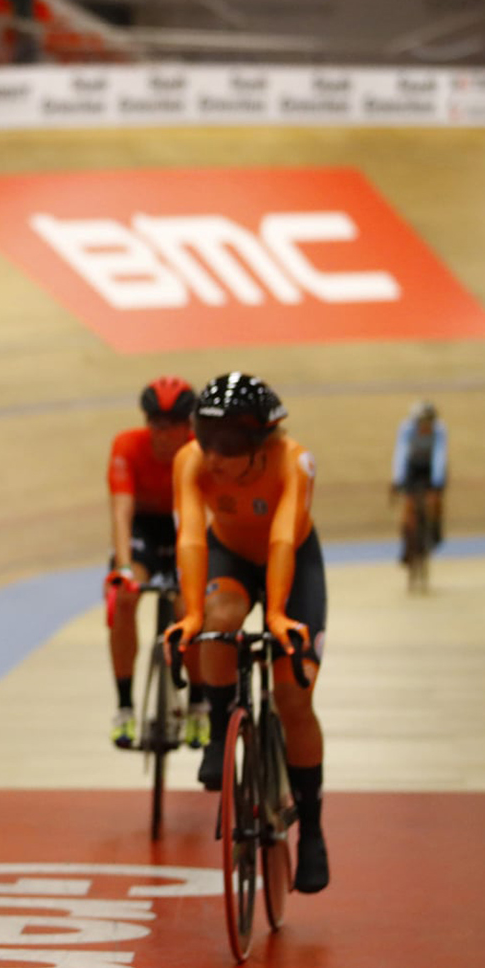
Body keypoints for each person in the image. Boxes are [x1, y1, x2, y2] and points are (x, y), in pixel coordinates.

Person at [164, 373, 330, 894]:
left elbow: (283, 538)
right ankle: (219, 730)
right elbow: (191, 535)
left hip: (293, 561)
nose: (212, 455)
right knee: (218, 623)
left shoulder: (292, 461)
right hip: (229, 553)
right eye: (205, 438)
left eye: (229, 444)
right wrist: (192, 613)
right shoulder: (190, 461)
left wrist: (278, 614)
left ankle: (314, 829)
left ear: (262, 441)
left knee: (292, 695)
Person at [105, 377, 207, 750]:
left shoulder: (200, 449)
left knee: (190, 609)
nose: (161, 435)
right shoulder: (127, 445)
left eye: (171, 426)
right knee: (123, 600)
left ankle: (198, 704)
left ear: (188, 426)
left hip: (185, 528)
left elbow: (198, 518)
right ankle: (124, 706)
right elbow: (121, 510)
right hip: (144, 530)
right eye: (155, 424)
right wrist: (125, 568)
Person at [391, 400, 447, 559]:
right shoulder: (407, 428)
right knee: (408, 505)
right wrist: (398, 479)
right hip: (413, 465)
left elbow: (439, 455)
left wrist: (437, 482)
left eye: (429, 423)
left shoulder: (439, 429)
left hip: (430, 466)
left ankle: (435, 530)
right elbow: (400, 453)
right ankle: (406, 544)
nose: (425, 426)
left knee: (435, 499)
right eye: (422, 423)